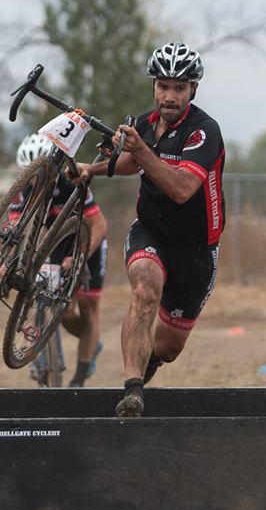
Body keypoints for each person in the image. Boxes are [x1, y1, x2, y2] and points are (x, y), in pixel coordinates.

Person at [70, 42, 225, 416]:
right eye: (163, 86)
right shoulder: (145, 124)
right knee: (144, 289)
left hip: (196, 250)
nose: (169, 96)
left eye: (179, 88)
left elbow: (181, 188)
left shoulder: (203, 132)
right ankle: (132, 390)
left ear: (193, 90)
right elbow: (129, 162)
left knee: (169, 348)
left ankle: (149, 360)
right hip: (151, 232)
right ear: (154, 86)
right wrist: (92, 169)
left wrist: (141, 151)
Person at [14, 133, 109, 388]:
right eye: (31, 175)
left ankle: (79, 378)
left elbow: (100, 225)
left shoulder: (69, 183)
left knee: (88, 310)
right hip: (58, 245)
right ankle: (92, 341)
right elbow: (14, 226)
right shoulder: (23, 190)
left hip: (87, 243)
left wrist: (78, 256)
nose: (36, 180)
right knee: (65, 312)